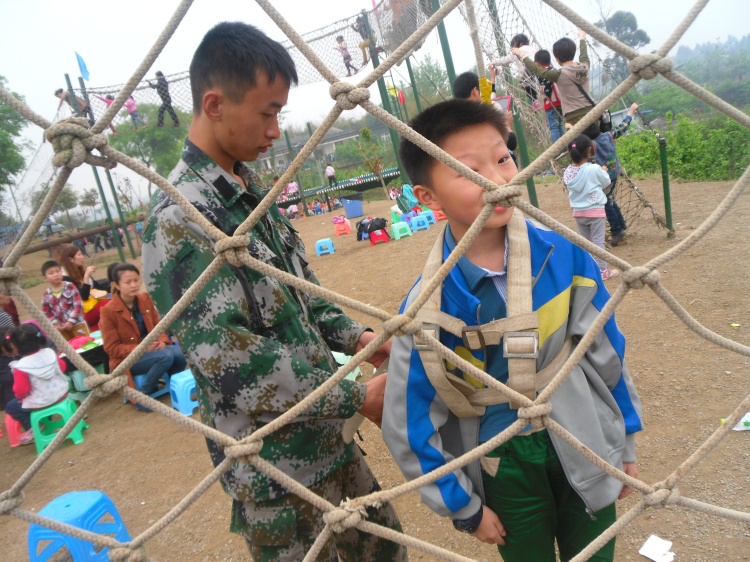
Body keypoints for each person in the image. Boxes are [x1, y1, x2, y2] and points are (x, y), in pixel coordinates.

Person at [142, 22, 405, 561]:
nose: (274, 128)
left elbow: (301, 293)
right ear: (214, 105)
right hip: (277, 477)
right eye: (267, 113)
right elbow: (230, 364)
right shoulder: (180, 220)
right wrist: (355, 394)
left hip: (331, 442)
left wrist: (356, 337)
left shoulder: (247, 193)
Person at [382, 99, 642, 561]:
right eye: (469, 171)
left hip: (581, 432)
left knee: (597, 553)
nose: (498, 180)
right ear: (427, 198)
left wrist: (624, 441)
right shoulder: (426, 307)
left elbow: (607, 352)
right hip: (502, 459)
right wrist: (462, 506)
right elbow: (409, 417)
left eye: (503, 159)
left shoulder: (566, 256)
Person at [99, 263, 186, 410]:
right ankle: (142, 395)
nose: (134, 285)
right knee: (165, 356)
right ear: (116, 285)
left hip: (153, 350)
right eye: (128, 282)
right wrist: (141, 348)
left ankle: (173, 386)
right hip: (127, 359)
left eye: (136, 280)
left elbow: (159, 327)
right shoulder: (108, 311)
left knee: (181, 353)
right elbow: (111, 348)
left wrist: (162, 340)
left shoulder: (145, 298)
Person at [564, 135, 620, 280]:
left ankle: (588, 269)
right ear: (589, 151)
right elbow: (606, 182)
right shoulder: (594, 169)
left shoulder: (568, 172)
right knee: (598, 242)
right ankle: (602, 271)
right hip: (595, 211)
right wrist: (603, 171)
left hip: (578, 212)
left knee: (585, 242)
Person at [4, 324, 70, 445]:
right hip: (62, 394)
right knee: (35, 398)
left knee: (11, 406)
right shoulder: (49, 353)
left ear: (17, 347)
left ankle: (36, 427)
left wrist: (20, 398)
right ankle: (47, 422)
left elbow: (21, 391)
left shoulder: (21, 366)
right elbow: (63, 367)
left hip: (41, 402)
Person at [515, 30, 594, 130]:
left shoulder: (559, 74)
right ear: (573, 52)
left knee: (581, 143)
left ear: (556, 58)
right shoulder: (584, 67)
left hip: (573, 117)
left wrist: (521, 55)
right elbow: (584, 55)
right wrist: (582, 38)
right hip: (591, 112)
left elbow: (537, 70)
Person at [587, 103, 639, 247]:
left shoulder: (591, 145)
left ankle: (617, 231)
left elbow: (575, 144)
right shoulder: (609, 136)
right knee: (610, 199)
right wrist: (631, 110)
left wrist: (571, 129)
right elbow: (623, 126)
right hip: (615, 173)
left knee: (605, 202)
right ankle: (621, 224)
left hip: (604, 178)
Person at [58, 245, 111, 330]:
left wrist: (115, 286)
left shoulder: (79, 270)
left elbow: (97, 286)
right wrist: (86, 275)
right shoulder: (65, 278)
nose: (82, 257)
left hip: (91, 306)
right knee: (109, 304)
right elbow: (84, 296)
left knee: (115, 300)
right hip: (80, 313)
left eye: (82, 254)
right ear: (71, 259)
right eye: (79, 255)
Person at [40, 260, 89, 340]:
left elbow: (78, 305)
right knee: (69, 349)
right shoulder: (46, 295)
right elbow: (47, 312)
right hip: (62, 329)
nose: (56, 275)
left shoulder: (70, 286)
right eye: (51, 273)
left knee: (85, 345)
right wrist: (55, 323)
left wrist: (70, 321)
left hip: (78, 325)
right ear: (45, 278)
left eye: (57, 271)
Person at [492, 33, 538, 101]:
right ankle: (537, 99)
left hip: (528, 71)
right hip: (538, 68)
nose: (512, 48)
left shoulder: (517, 52)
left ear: (520, 43)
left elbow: (505, 59)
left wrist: (494, 62)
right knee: (537, 86)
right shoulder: (533, 48)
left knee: (524, 84)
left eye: (513, 45)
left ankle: (535, 100)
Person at [533, 50, 565, 143]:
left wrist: (542, 98)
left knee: (553, 126)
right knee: (559, 124)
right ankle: (564, 146)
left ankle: (557, 149)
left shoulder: (542, 73)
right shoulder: (554, 70)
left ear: (537, 63)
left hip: (551, 104)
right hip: (560, 102)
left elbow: (546, 90)